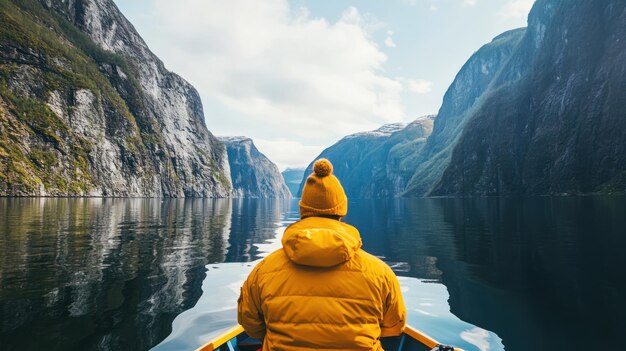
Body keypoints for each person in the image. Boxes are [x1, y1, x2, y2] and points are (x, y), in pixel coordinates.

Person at [237, 158, 406, 351]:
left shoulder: (264, 270)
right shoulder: (380, 273)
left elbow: (249, 322)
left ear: (303, 211)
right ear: (341, 211)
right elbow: (395, 326)